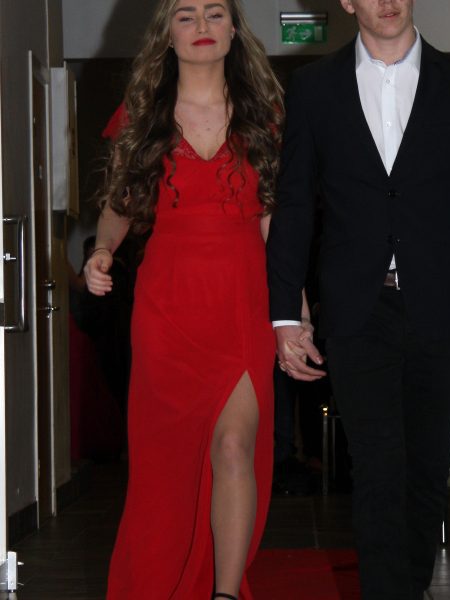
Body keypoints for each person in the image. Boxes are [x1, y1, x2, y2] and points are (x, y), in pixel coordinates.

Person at [266, 1, 450, 598]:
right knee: (376, 465)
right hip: (355, 309)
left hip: (436, 304)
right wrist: (285, 313)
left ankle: (406, 589)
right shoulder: (314, 87)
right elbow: (294, 204)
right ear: (347, 2)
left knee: (426, 465)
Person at [84, 1, 283, 598]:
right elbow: (119, 204)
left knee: (235, 446)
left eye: (214, 14)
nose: (201, 27)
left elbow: (274, 224)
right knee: (166, 469)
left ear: (233, 30)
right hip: (167, 311)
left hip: (243, 304)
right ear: (167, 34)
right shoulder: (142, 114)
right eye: (186, 16)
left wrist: (291, 312)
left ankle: (225, 593)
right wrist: (102, 251)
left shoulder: (264, 114)